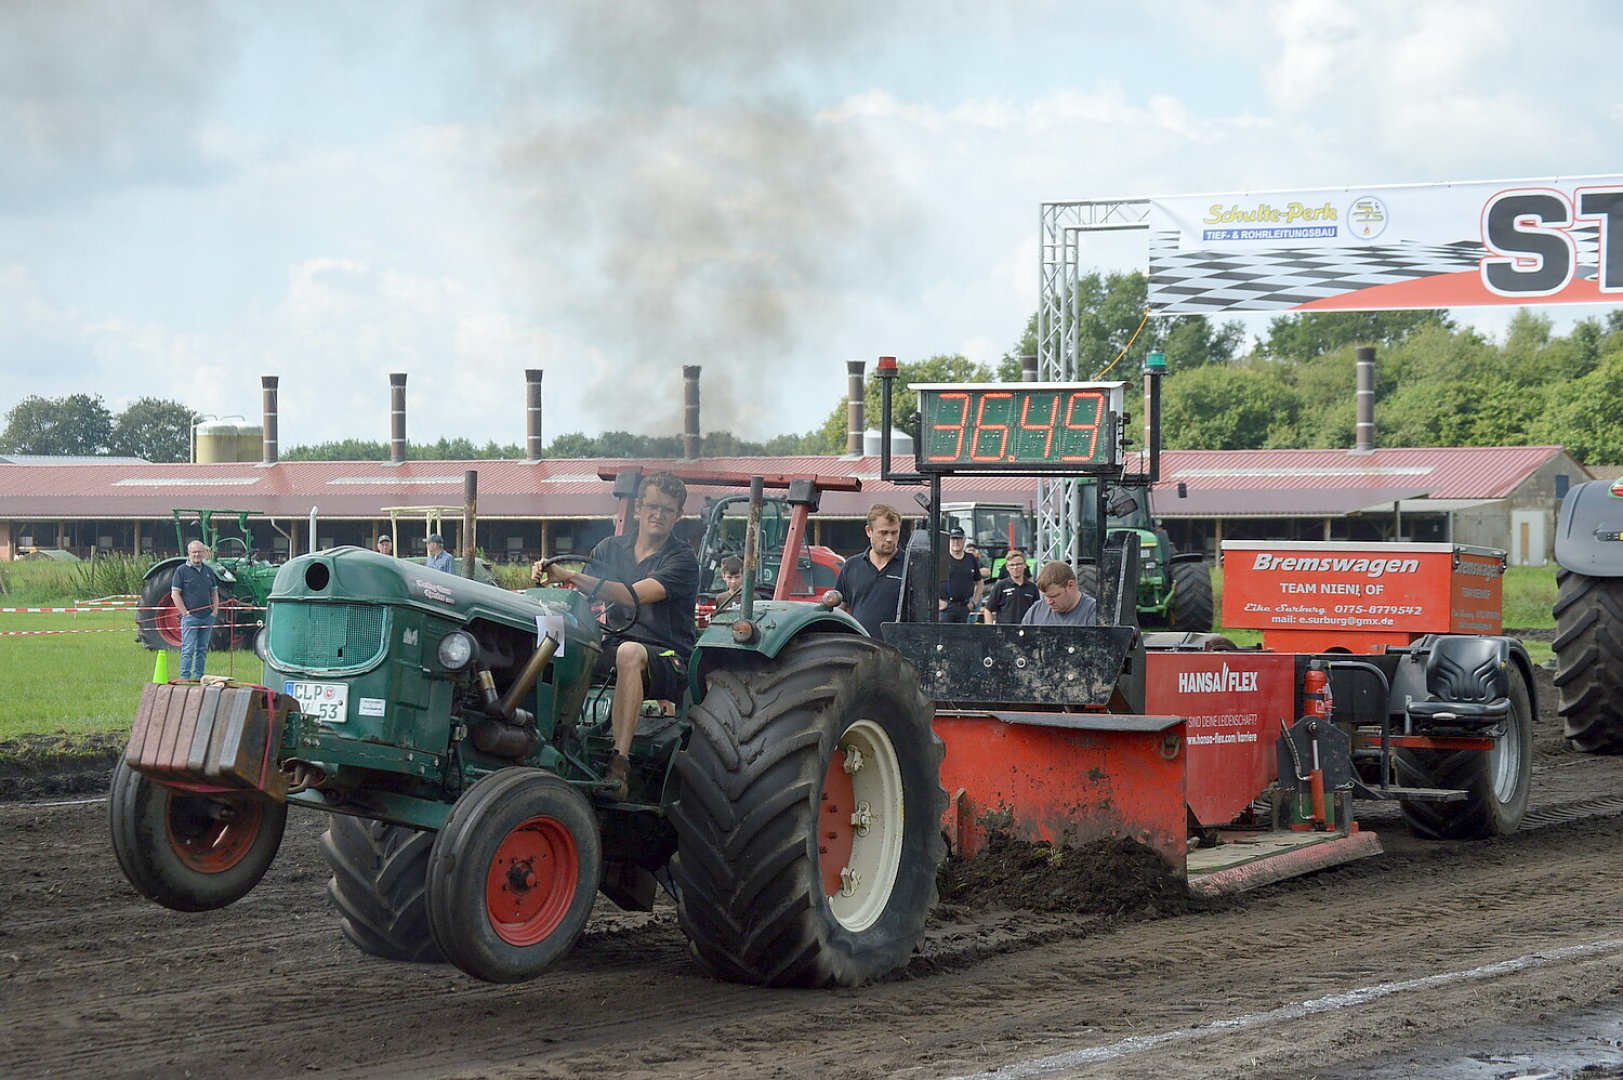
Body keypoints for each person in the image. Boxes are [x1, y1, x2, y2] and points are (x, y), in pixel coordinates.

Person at [531, 472, 698, 799]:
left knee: (630, 653)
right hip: (616, 642)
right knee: (558, 642)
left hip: (669, 658)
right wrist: (549, 578)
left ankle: (619, 764)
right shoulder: (611, 548)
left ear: (678, 516)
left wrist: (569, 575)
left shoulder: (682, 559)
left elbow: (634, 596)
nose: (658, 514)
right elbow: (582, 596)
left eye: (667, 509)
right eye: (652, 506)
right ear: (638, 508)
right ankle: (547, 739)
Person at [833, 503, 905, 639]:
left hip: (898, 651)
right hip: (860, 647)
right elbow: (838, 610)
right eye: (883, 533)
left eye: (894, 532)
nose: (890, 539)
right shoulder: (851, 566)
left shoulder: (910, 566)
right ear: (869, 531)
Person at [171, 540, 220, 679]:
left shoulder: (209, 571)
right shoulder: (181, 571)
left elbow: (214, 592)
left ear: (204, 553)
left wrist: (214, 611)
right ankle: (185, 677)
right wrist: (185, 613)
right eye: (194, 552)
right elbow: (175, 594)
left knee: (202, 649)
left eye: (199, 552)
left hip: (207, 617)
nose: (197, 555)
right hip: (190, 617)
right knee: (188, 649)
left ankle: (199, 676)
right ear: (189, 553)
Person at [1021, 560, 1099, 627]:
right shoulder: (1035, 611)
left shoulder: (1095, 613)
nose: (1049, 602)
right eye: (1045, 596)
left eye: (1054, 596)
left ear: (1070, 585)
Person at [982, 549, 1039, 624]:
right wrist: (990, 629)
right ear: (1007, 567)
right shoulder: (1000, 586)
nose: (1015, 568)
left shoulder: (1032, 587)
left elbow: (1038, 610)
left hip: (1027, 630)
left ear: (1025, 565)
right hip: (1005, 631)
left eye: (1018, 564)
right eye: (1012, 565)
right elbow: (988, 609)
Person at [938, 527, 982, 623]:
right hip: (946, 609)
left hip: (964, 608)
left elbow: (980, 582)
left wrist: (974, 603)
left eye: (959, 539)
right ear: (949, 540)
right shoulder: (942, 559)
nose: (956, 542)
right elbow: (928, 582)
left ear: (964, 540)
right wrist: (938, 602)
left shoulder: (971, 559)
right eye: (953, 539)